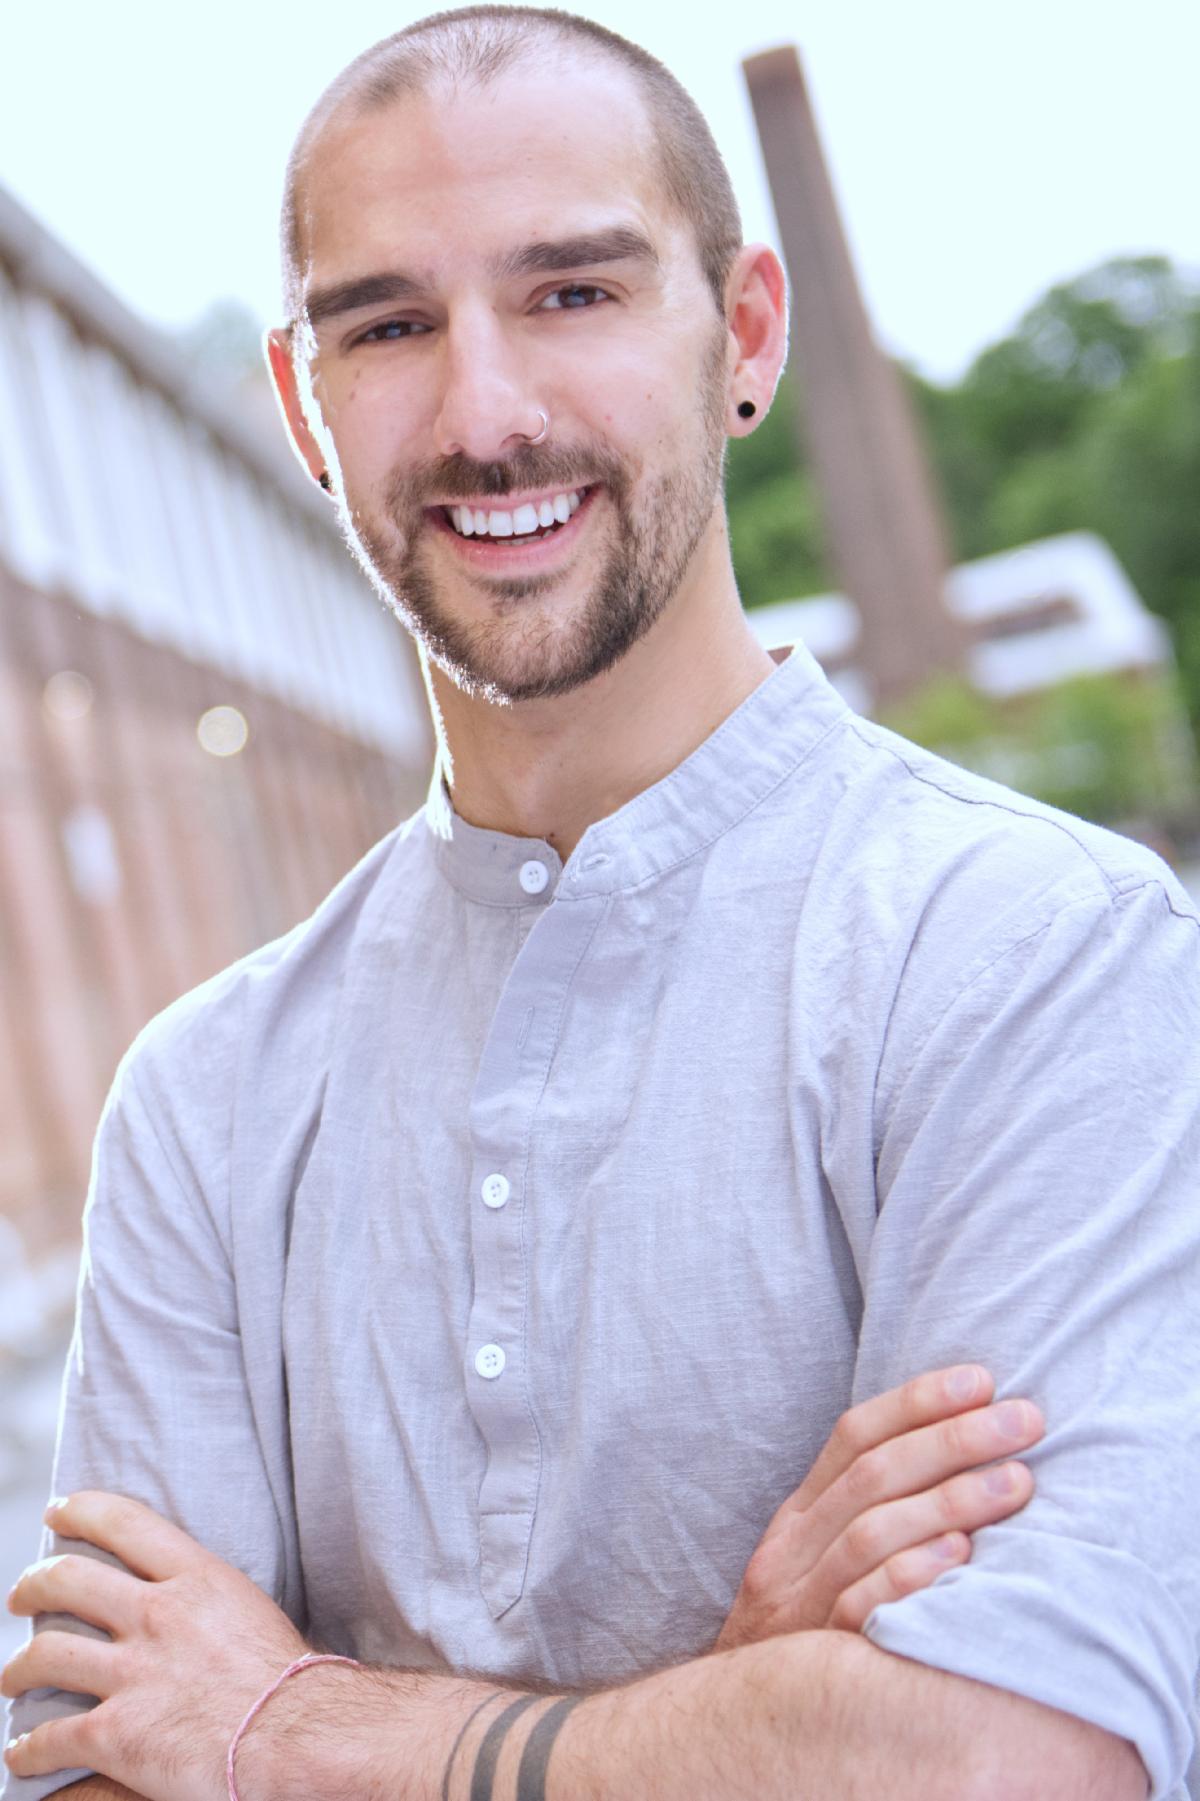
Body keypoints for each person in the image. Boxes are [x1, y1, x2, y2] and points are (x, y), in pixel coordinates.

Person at [3, 7, 1198, 1798]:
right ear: (301, 409)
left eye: (575, 292)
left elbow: (1003, 1764)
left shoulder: (1038, 958)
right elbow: (101, 1775)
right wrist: (738, 1696)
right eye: (390, 325)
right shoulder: (203, 1100)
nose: (488, 413)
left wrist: (291, 1721)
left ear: (747, 332)